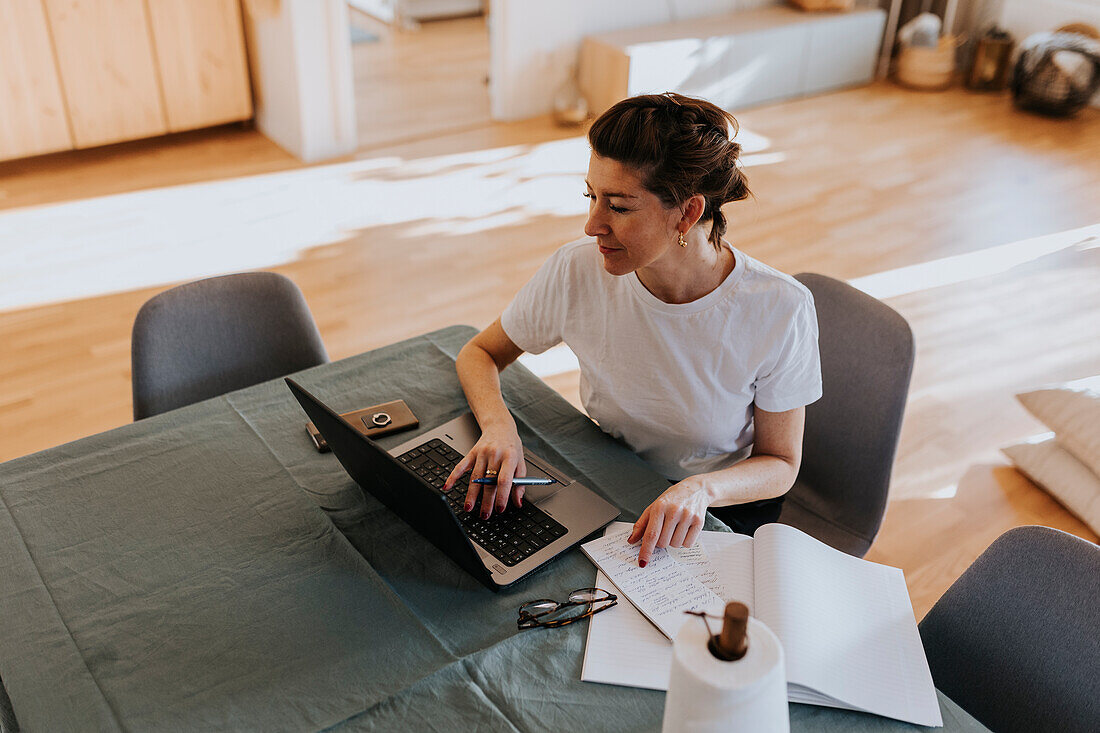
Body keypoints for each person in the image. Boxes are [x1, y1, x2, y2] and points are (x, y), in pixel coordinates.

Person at [443, 92, 821, 567]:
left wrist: (700, 490)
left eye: (618, 207)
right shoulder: (577, 270)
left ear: (687, 213)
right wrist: (499, 428)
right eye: (591, 196)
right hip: (612, 477)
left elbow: (781, 464)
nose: (591, 225)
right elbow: (479, 353)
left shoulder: (779, 309)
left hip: (719, 506)